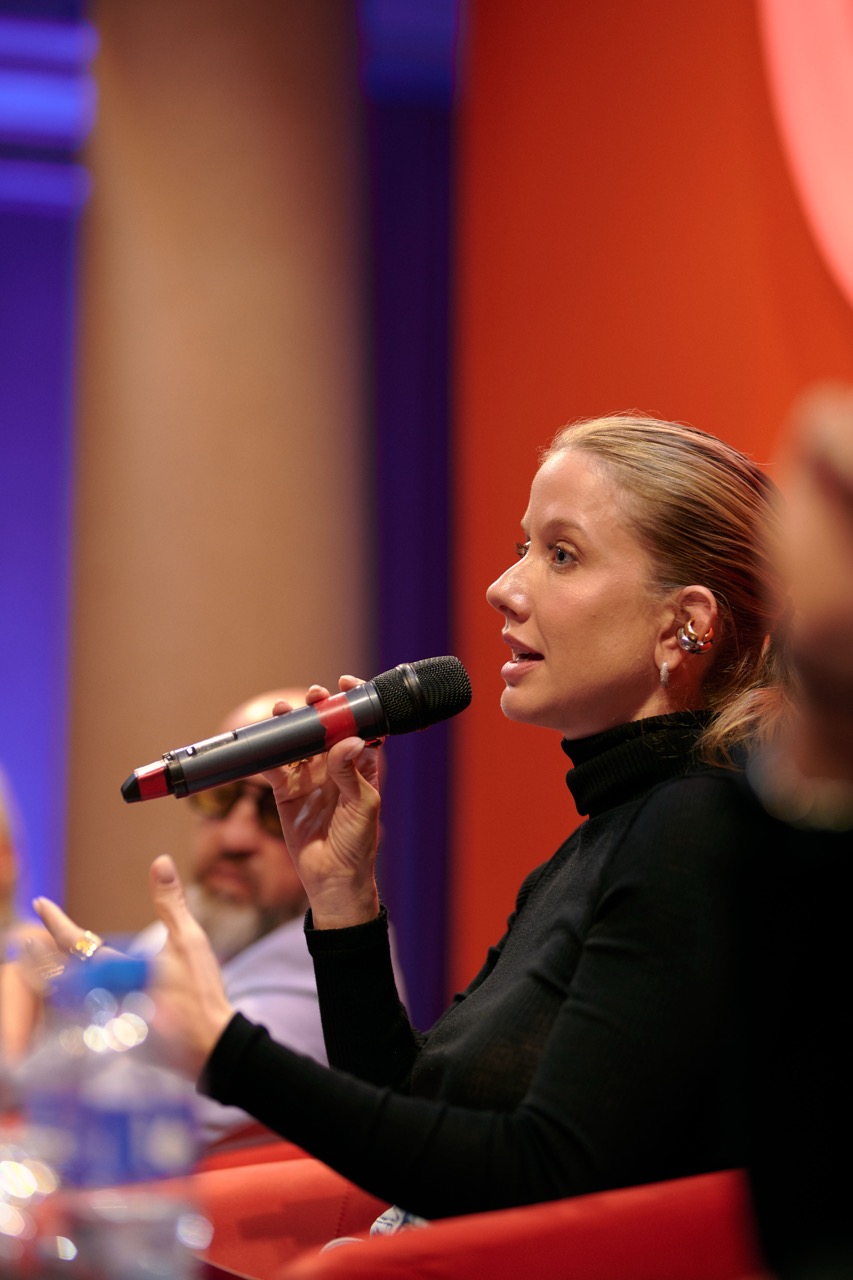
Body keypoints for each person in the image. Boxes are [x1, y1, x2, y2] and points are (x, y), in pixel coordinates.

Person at [36, 414, 792, 1227]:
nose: (503, 588)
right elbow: (418, 1111)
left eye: (561, 554)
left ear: (685, 623)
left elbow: (544, 1177)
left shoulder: (692, 830)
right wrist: (342, 897)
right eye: (522, 547)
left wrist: (224, 1049)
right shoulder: (607, 836)